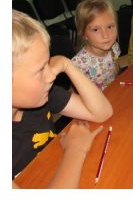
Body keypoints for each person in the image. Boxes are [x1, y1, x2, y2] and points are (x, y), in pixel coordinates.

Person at [12, 11, 112, 188]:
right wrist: (76, 150)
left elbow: (102, 112)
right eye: (40, 70)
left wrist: (67, 64)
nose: (51, 75)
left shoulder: (41, 95)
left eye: (48, 63)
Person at [71, 0, 121, 90]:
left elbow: (116, 67)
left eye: (110, 27)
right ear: (84, 34)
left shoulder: (114, 47)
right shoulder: (79, 64)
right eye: (96, 30)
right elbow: (75, 92)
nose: (105, 35)